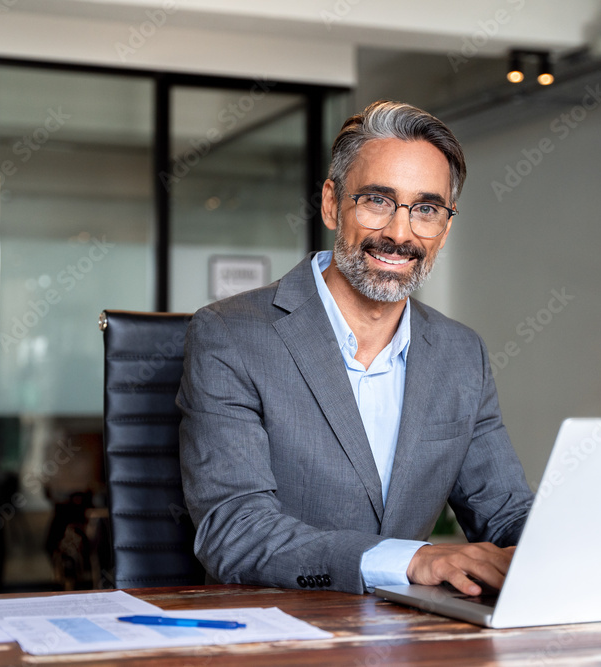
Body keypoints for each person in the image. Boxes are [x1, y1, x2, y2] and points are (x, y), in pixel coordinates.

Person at [177, 99, 533, 596]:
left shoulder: (460, 353)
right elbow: (234, 530)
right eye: (377, 201)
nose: (399, 233)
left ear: (445, 229)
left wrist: (576, 552)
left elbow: (507, 513)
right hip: (277, 633)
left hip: (413, 636)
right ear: (330, 203)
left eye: (426, 209)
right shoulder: (230, 335)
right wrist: (412, 560)